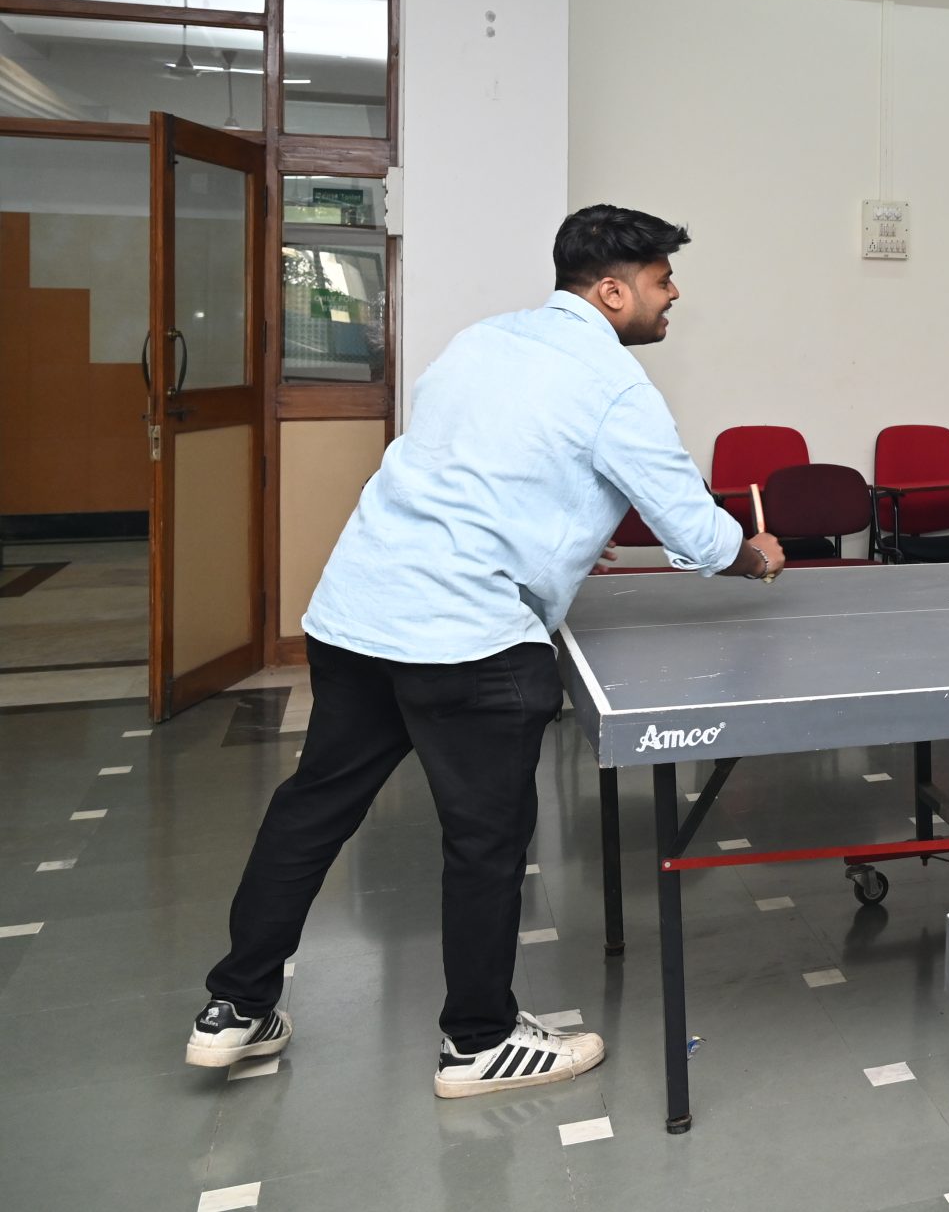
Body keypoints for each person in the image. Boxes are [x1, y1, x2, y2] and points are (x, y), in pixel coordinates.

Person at [185, 206, 786, 1096]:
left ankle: (235, 1007)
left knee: (312, 809)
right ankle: (479, 1040)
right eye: (662, 280)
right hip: (470, 637)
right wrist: (754, 555)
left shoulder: (479, 341)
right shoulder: (615, 386)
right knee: (484, 841)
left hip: (359, 612)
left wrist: (558, 529)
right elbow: (695, 533)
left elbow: (470, 465)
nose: (674, 294)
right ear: (612, 291)